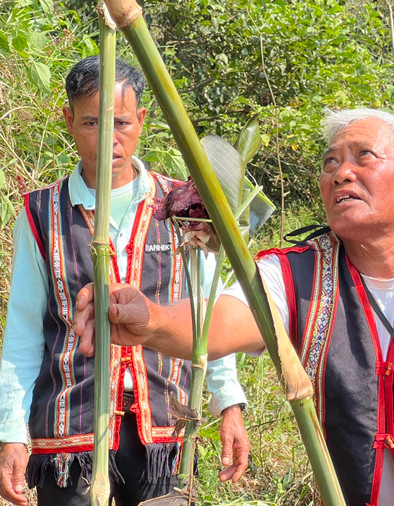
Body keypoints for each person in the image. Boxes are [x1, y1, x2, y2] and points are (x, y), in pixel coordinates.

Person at [73, 108, 394, 505]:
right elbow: (223, 322)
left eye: (364, 157)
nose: (341, 173)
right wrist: (151, 319)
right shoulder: (295, 274)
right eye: (331, 162)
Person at [0, 56, 250, 506]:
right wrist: (12, 433)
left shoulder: (181, 205)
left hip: (164, 426)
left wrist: (227, 402)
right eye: (92, 121)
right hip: (69, 427)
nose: (109, 137)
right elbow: (23, 332)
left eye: (120, 121)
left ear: (142, 120)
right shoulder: (40, 214)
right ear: (69, 120)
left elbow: (209, 315)